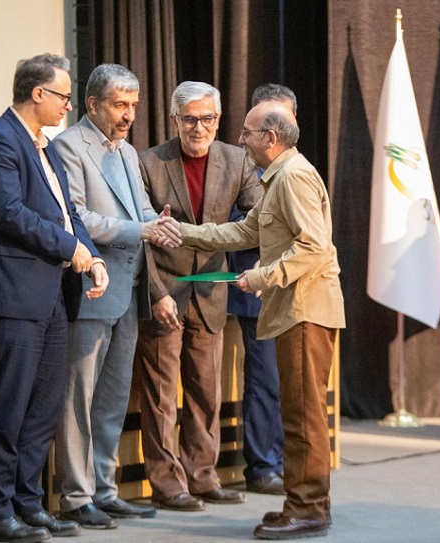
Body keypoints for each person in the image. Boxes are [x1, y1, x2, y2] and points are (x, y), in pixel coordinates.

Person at [175, 101, 345, 540]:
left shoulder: (293, 177)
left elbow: (313, 247)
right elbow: (243, 232)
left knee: (304, 416)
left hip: (305, 311)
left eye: (248, 133)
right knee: (298, 412)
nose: (241, 140)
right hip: (294, 311)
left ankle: (307, 508)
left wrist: (259, 277)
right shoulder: (277, 177)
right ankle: (306, 504)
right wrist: (182, 231)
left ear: (270, 138)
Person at [0, 53, 108, 542]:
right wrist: (70, 248)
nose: (68, 105)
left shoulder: (45, 146)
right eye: (64, 96)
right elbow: (10, 213)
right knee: (8, 407)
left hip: (53, 294)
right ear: (37, 93)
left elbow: (68, 213)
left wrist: (92, 256)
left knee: (43, 407)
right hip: (14, 296)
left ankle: (27, 504)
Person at [53, 64, 178, 529]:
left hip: (128, 289)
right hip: (91, 288)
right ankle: (75, 495)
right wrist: (139, 229)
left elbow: (140, 210)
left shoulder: (126, 151)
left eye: (133, 106)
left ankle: (104, 490)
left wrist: (159, 224)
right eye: (119, 105)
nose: (129, 115)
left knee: (111, 398)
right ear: (92, 104)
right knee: (78, 399)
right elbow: (75, 217)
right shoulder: (69, 146)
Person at [137, 81, 260, 511]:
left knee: (206, 393)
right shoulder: (149, 162)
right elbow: (140, 239)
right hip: (165, 294)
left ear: (219, 119)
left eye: (207, 118)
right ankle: (167, 484)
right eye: (189, 119)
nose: (198, 127)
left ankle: (203, 477)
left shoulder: (237, 159)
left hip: (210, 290)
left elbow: (260, 216)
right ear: (175, 119)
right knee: (161, 397)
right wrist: (156, 293)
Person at [230, 83, 298, 496]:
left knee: (289, 381)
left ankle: (286, 459)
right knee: (265, 379)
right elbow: (240, 227)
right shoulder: (243, 166)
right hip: (255, 288)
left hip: (292, 289)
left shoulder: (295, 168)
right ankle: (261, 465)